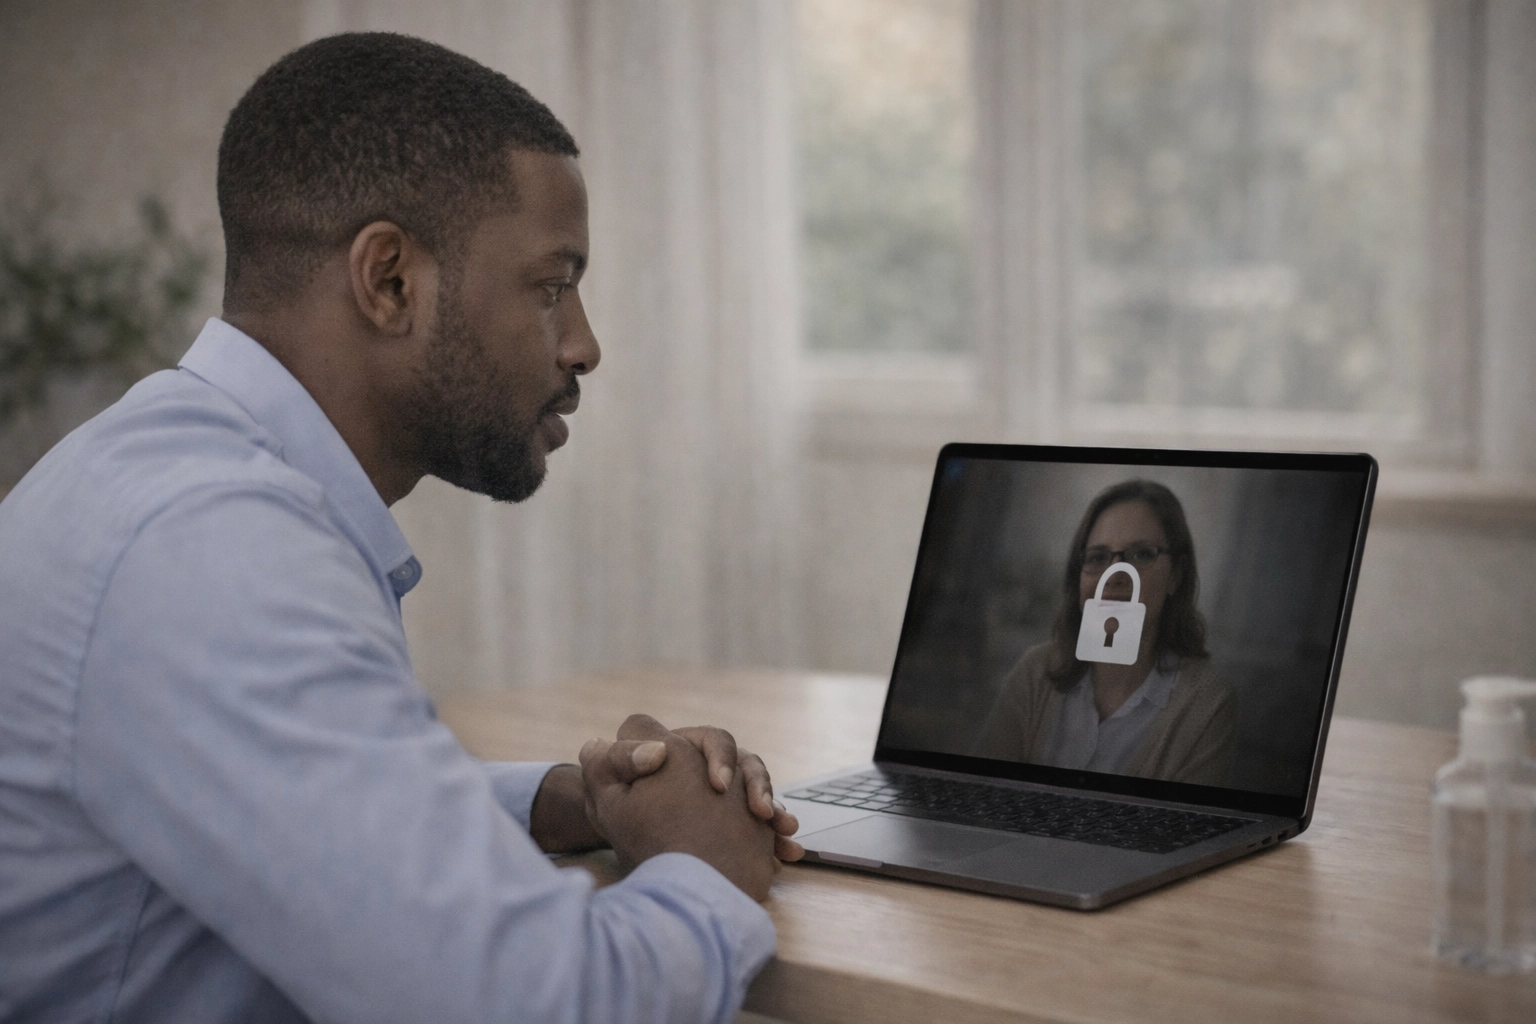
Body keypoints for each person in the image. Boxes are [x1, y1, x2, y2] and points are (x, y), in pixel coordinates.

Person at [0, 33, 802, 1024]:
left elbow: (306, 803)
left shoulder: (165, 477)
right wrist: (707, 867)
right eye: (551, 286)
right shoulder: (214, 550)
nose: (585, 344)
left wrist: (568, 800)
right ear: (389, 281)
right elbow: (540, 1004)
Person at [976, 480, 1235, 786]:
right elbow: (980, 791)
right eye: (1098, 558)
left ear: (1175, 576)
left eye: (1141, 554)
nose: (1114, 577)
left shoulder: (1206, 700)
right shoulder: (1036, 671)